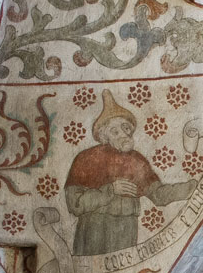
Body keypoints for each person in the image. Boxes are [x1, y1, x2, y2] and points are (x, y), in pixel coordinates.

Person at [64, 91, 196, 256]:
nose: (124, 134)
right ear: (104, 135)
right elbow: (74, 203)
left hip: (125, 235)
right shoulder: (86, 159)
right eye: (115, 131)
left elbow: (160, 195)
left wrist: (195, 187)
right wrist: (110, 191)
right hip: (93, 234)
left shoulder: (137, 161)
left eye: (125, 128)